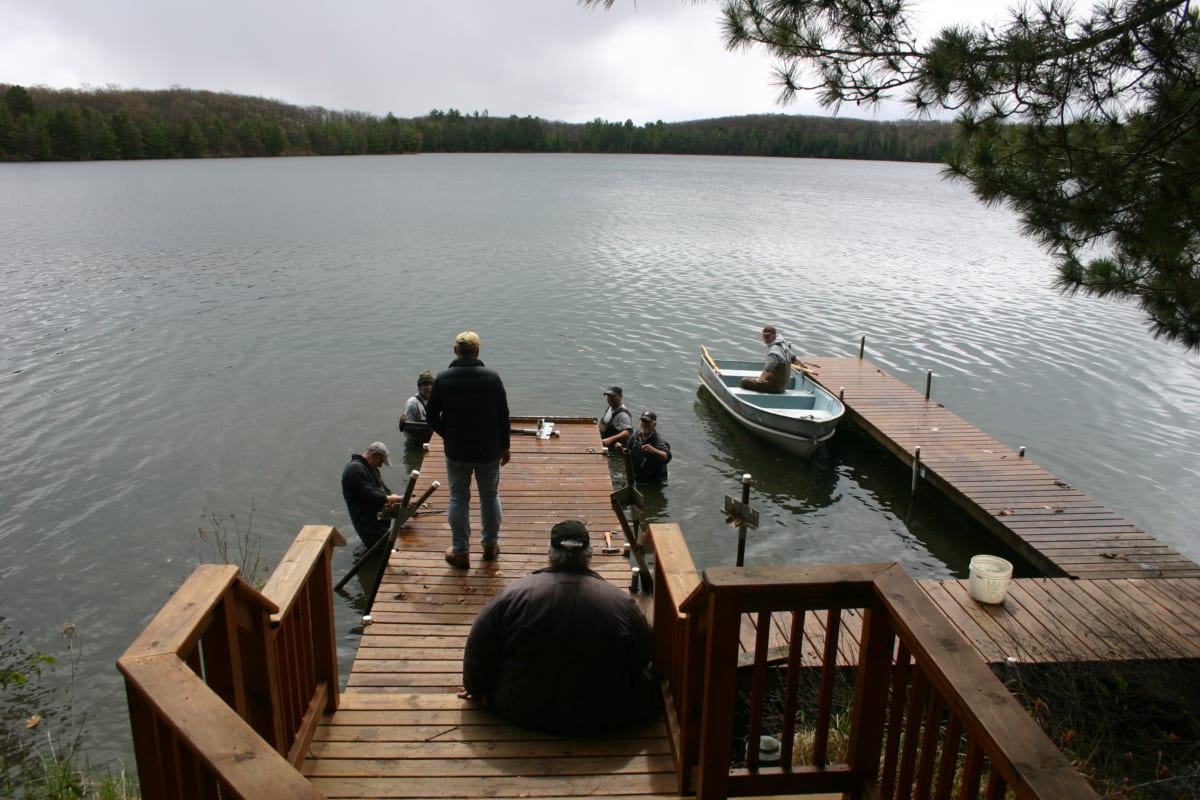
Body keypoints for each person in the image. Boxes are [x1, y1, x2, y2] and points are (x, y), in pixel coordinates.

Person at [461, 520, 656, 734]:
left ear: (550, 553)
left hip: (521, 709)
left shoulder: (512, 596)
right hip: (603, 713)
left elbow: (478, 648)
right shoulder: (619, 602)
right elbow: (645, 651)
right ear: (588, 554)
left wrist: (476, 688)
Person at [425, 330, 511, 569]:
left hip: (457, 451)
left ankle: (461, 552)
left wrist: (448, 434)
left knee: (458, 499)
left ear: (455, 351)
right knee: (490, 497)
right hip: (489, 450)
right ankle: (491, 547)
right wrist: (505, 445)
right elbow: (503, 415)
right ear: (477, 351)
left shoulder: (442, 379)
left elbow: (431, 415)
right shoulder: (492, 378)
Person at [340, 442, 404, 548]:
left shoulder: (372, 469)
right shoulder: (354, 469)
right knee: (386, 548)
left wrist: (395, 497)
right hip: (368, 524)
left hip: (379, 518)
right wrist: (395, 498)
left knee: (393, 541)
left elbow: (384, 490)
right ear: (374, 455)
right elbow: (368, 495)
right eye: (381, 461)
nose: (381, 465)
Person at [740, 324, 804, 393]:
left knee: (744, 381)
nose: (765, 338)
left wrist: (760, 380)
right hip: (783, 386)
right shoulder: (784, 345)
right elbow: (794, 358)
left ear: (774, 335)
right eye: (764, 336)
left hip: (775, 387)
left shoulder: (774, 349)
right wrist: (802, 365)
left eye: (768, 336)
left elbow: (770, 365)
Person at [617, 411, 672, 485]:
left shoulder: (659, 441)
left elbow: (667, 457)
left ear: (654, 424)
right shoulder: (635, 436)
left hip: (653, 482)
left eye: (647, 422)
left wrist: (654, 451)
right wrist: (621, 450)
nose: (644, 424)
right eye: (642, 421)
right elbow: (628, 452)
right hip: (637, 477)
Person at [399, 370, 434, 447]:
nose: (428, 387)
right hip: (417, 442)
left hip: (431, 437)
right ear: (419, 387)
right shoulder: (412, 403)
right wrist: (427, 428)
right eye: (425, 385)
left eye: (430, 384)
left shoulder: (435, 399)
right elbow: (407, 428)